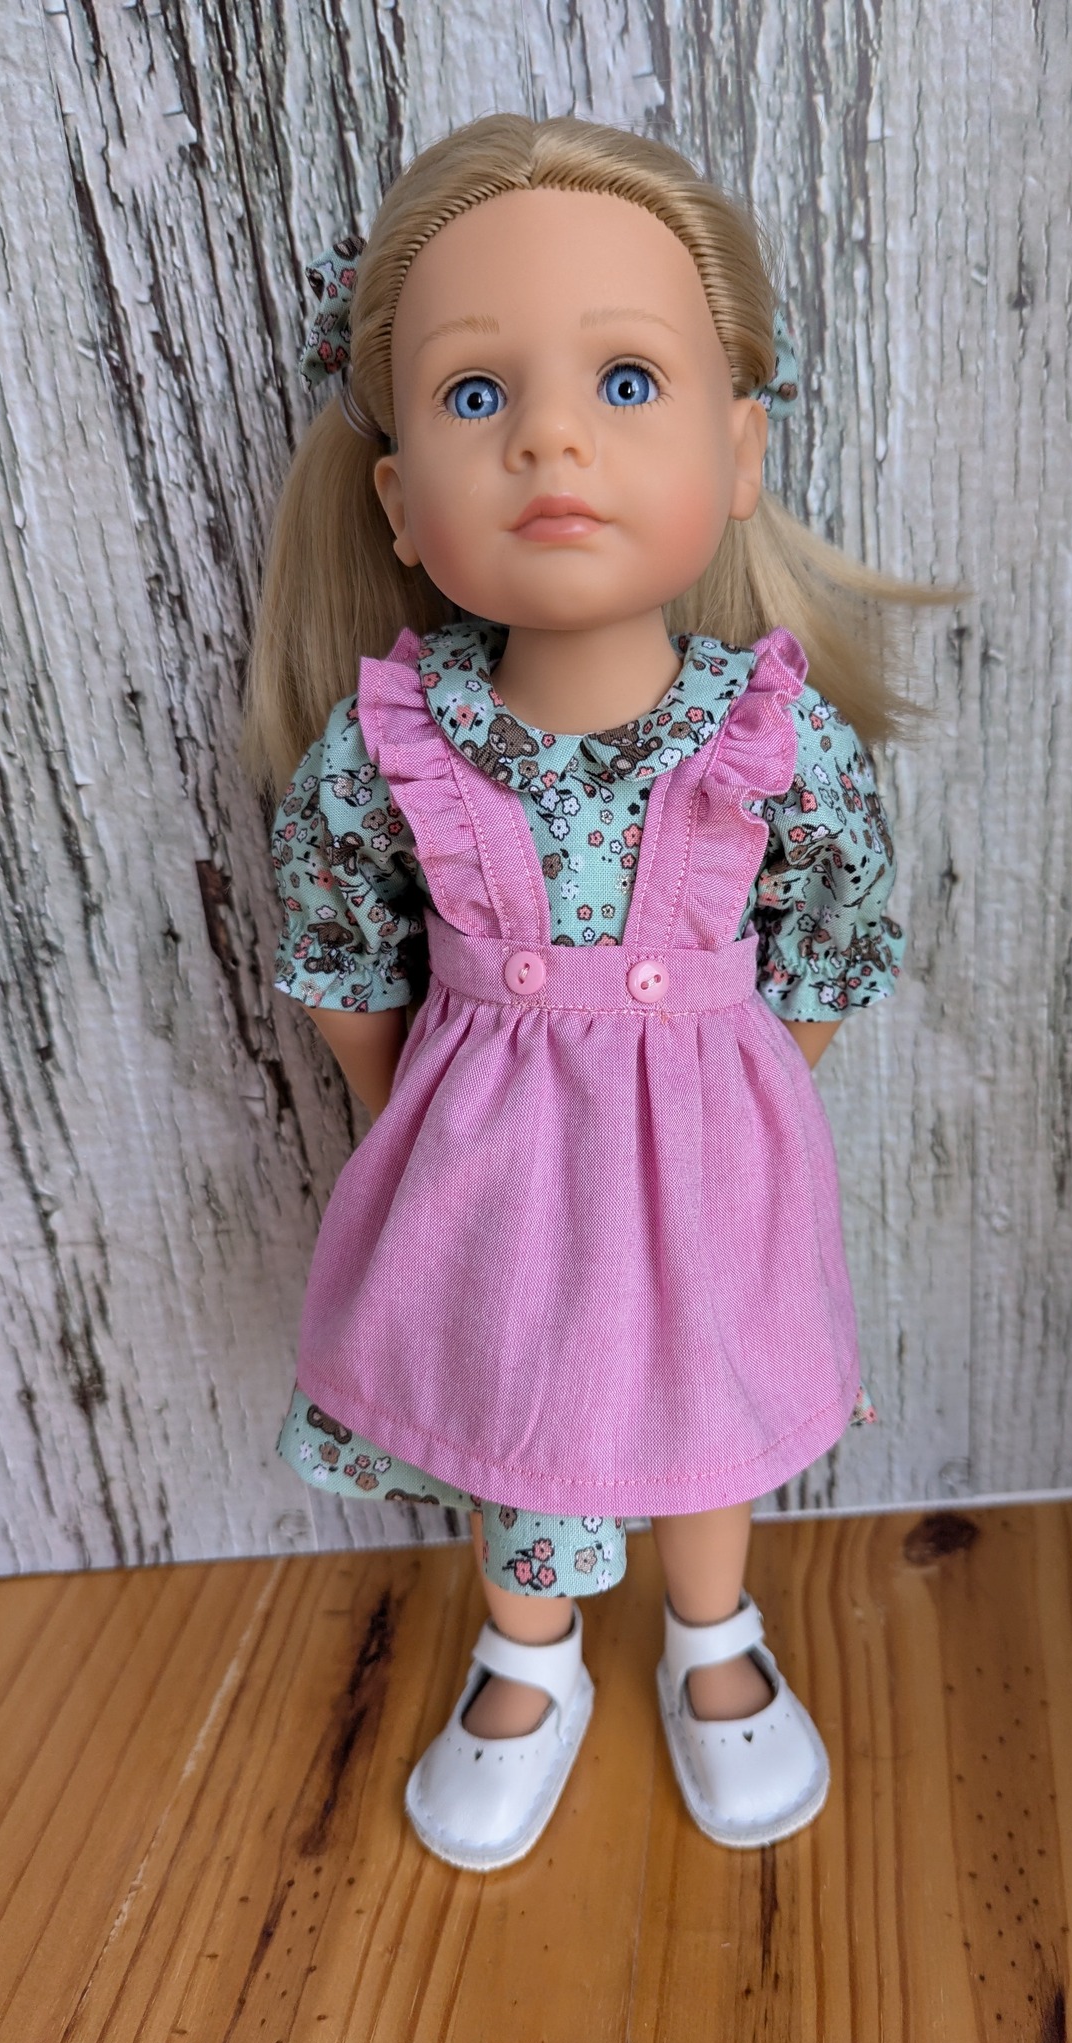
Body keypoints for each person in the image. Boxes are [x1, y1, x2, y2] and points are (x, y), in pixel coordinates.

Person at [244, 113, 939, 1872]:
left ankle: (714, 1635)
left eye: (626, 381)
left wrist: (744, 1079)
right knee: (519, 1398)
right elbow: (337, 940)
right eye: (475, 395)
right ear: (399, 503)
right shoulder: (398, 742)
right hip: (486, 1162)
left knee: (710, 1383)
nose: (551, 435)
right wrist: (414, 1110)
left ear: (738, 451)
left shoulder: (765, 732)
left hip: (711, 1145)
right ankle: (529, 1651)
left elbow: (839, 919)